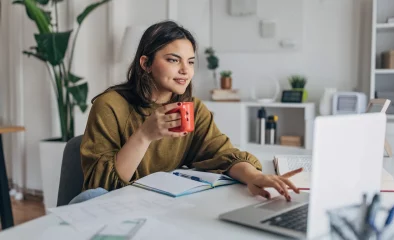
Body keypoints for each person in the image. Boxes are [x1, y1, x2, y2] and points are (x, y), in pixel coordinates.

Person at [70, 20, 302, 205]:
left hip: (161, 208)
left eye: (190, 62)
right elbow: (100, 187)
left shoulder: (193, 109)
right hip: (112, 208)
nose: (185, 70)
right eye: (173, 60)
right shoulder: (110, 106)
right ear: (145, 63)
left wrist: (254, 177)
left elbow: (222, 154)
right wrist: (144, 136)